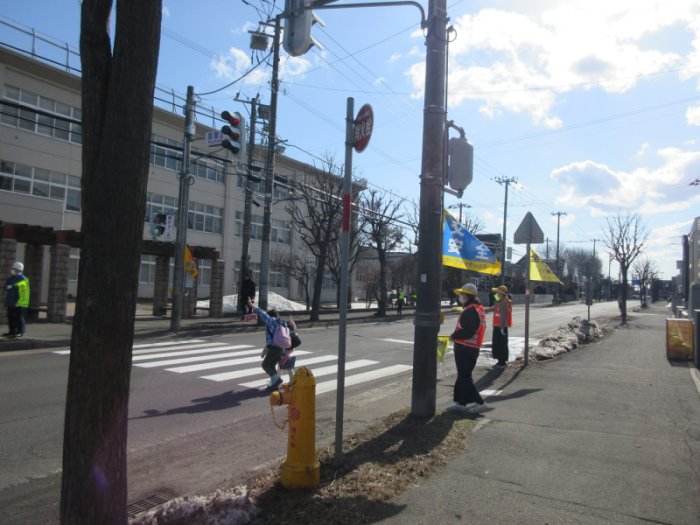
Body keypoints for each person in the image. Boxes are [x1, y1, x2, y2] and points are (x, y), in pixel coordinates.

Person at [448, 283, 488, 414]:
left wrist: (454, 335)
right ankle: (461, 403)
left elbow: (469, 331)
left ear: (468, 296)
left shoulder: (470, 310)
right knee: (463, 376)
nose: (460, 296)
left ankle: (480, 403)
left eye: (462, 294)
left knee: (465, 377)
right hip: (471, 347)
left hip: (465, 347)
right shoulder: (477, 308)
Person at [249, 297, 288, 391]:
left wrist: (251, 305)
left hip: (274, 348)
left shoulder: (271, 320)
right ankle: (274, 384)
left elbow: (262, 314)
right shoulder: (282, 322)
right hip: (281, 348)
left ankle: (277, 380)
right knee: (271, 365)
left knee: (265, 365)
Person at [484, 285, 513, 369]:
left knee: (501, 344)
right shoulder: (501, 302)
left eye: (497, 293)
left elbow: (503, 316)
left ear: (501, 294)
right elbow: (494, 308)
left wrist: (502, 328)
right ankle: (500, 361)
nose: (496, 294)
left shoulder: (504, 303)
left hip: (500, 327)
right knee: (498, 344)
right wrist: (484, 310)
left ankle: (502, 362)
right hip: (498, 326)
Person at [4, 262, 29, 339]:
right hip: (10, 301)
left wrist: (20, 301)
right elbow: (5, 287)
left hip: (17, 301)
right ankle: (12, 331)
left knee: (18, 317)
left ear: (18, 270)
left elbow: (24, 292)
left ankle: (20, 331)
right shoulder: (11, 278)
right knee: (11, 316)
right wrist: (7, 287)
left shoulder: (23, 279)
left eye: (13, 268)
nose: (12, 270)